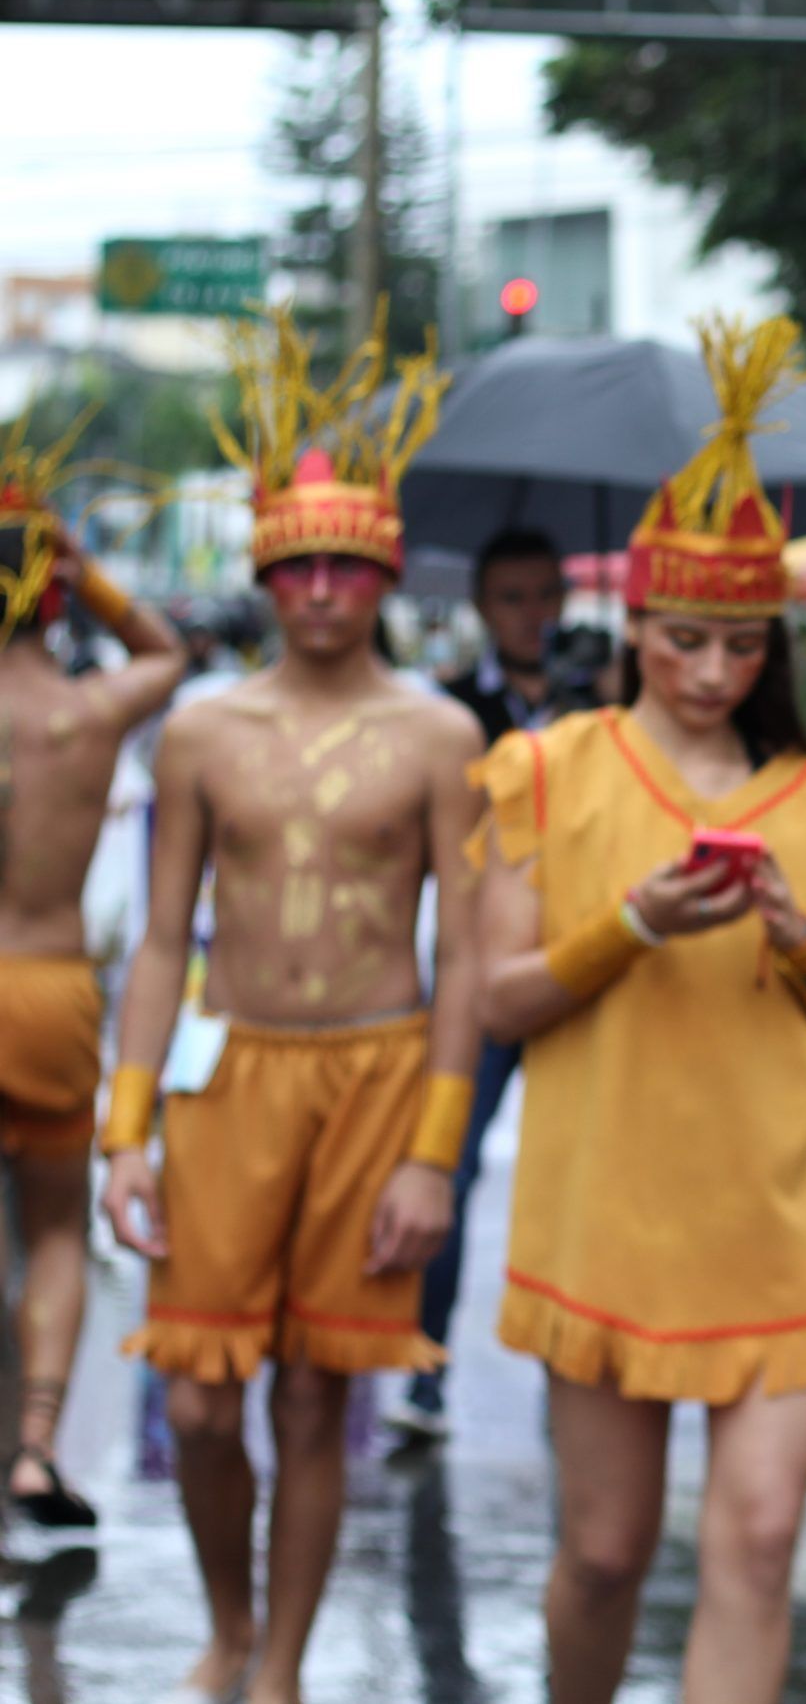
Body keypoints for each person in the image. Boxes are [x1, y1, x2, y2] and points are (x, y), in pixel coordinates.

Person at [472, 315, 806, 1704]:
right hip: (606, 1205)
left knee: (760, 1541)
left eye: (736, 643)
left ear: (769, 643)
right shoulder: (551, 769)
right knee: (605, 1552)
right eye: (681, 640)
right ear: (634, 627)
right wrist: (635, 924)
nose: (711, 671)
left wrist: (793, 934)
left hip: (777, 1215)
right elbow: (498, 999)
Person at [98, 304, 482, 1704]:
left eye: (346, 566)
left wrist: (434, 1154)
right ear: (265, 574)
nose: (321, 590)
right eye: (298, 565)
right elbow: (160, 940)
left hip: (377, 1076)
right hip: (228, 1074)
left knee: (321, 1390)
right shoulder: (203, 728)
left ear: (382, 576)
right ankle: (229, 1620)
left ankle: (284, 1666)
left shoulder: (440, 734)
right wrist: (125, 1130)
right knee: (202, 1394)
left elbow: (465, 954)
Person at [0, 429, 187, 1535]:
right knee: (59, 1235)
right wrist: (81, 565)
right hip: (52, 992)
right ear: (52, 598)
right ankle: (33, 1449)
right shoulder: (86, 713)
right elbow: (164, 650)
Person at [378, 526, 576, 1445]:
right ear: (482, 607)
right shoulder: (451, 713)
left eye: (546, 596)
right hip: (481, 966)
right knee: (444, 1161)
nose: (533, 615)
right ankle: (425, 1365)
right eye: (513, 598)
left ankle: (574, 1369)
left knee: (578, 1171)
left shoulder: (609, 702)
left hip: (584, 965)